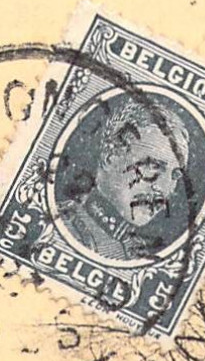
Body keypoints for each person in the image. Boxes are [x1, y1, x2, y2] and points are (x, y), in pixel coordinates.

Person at [59, 96, 193, 263]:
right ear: (110, 157)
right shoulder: (64, 228)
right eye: (152, 166)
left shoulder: (136, 252)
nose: (164, 188)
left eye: (174, 176)